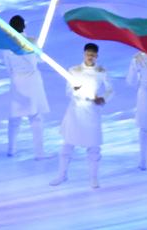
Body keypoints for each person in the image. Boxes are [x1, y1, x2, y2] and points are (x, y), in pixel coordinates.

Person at [52, 43, 111, 188]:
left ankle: (93, 178)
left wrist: (103, 98)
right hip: (76, 111)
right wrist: (74, 89)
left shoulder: (101, 72)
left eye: (93, 55)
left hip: (92, 111)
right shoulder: (73, 71)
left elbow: (110, 89)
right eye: (88, 54)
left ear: (97, 56)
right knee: (68, 144)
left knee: (94, 147)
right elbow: (67, 91)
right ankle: (62, 174)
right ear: (84, 54)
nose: (90, 57)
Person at [1, 15, 50, 158]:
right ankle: (39, 152)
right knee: (35, 117)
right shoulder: (32, 41)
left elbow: (7, 66)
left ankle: (11, 149)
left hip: (17, 81)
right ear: (24, 26)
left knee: (15, 117)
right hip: (32, 81)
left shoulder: (7, 44)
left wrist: (15, 75)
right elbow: (41, 59)